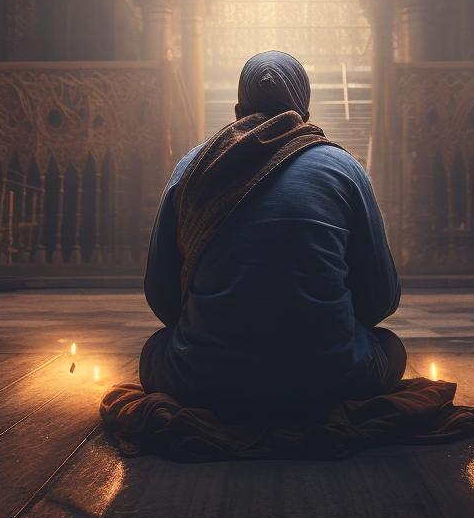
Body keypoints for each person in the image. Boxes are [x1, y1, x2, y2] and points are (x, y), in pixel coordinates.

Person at [140, 50, 405, 412]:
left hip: (203, 380)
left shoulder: (191, 168)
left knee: (155, 348)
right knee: (389, 346)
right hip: (329, 380)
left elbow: (161, 296)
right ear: (303, 113)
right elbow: (380, 300)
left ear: (238, 112)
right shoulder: (345, 168)